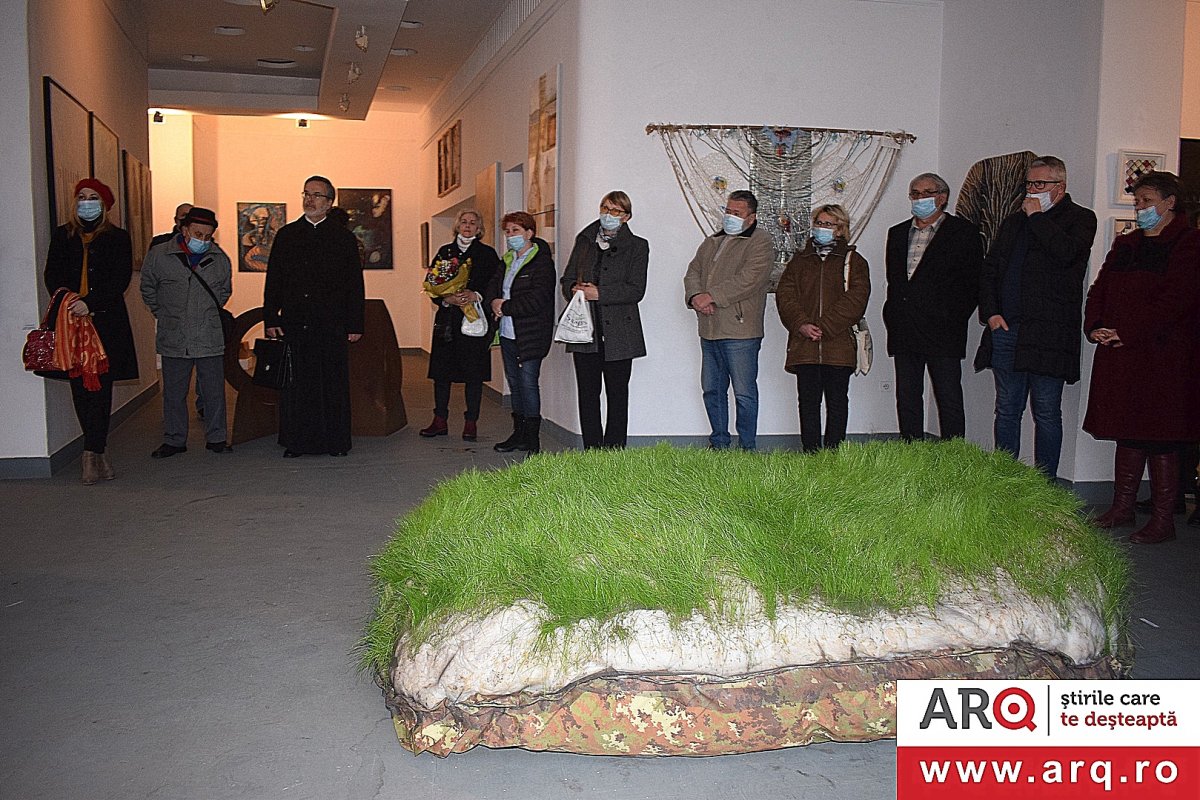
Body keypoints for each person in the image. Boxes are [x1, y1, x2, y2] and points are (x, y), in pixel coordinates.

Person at [1082, 171, 1200, 544]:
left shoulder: (1189, 244)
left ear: (1170, 202)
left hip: (1163, 358)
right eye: (1137, 201)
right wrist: (1096, 325)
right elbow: (1100, 288)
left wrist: (1127, 331)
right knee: (1127, 432)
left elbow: (1176, 301)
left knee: (1161, 435)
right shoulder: (1127, 244)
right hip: (1121, 356)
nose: (1140, 208)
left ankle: (1163, 519)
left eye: (1147, 201)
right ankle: (1122, 507)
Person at [974, 156, 1097, 479]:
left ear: (1060, 187)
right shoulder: (1014, 222)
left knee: (1046, 411)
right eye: (1028, 183)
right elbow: (990, 269)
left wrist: (1038, 217)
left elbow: (1067, 255)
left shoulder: (1080, 218)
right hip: (1008, 329)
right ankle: (1005, 480)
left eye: (1039, 184)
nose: (1031, 190)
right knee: (1007, 410)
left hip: (1049, 334)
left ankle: (1045, 484)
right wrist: (991, 314)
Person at [42, 178, 138, 484]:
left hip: (105, 323)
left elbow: (120, 278)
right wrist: (70, 301)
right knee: (80, 389)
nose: (86, 202)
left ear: (104, 204)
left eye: (93, 197)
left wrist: (91, 303)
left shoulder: (118, 238)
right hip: (70, 322)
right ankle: (95, 453)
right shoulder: (63, 235)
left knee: (100, 388)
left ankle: (93, 451)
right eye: (82, 196)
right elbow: (52, 274)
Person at [263, 176, 365, 457]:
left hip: (332, 323)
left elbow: (354, 284)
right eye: (306, 193)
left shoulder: (343, 238)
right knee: (298, 385)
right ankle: (297, 442)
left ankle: (336, 442)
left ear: (329, 202)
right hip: (296, 322)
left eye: (317, 195)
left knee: (332, 383)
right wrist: (271, 317)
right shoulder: (287, 235)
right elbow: (274, 280)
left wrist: (355, 323)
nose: (309, 199)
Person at [883, 173, 984, 441]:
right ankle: (911, 452)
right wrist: (893, 315)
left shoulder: (963, 233)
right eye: (915, 193)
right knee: (907, 396)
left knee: (948, 397)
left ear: (942, 197)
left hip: (943, 331)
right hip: (905, 328)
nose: (919, 199)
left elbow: (971, 285)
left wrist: (951, 317)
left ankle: (952, 455)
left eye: (926, 193)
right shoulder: (897, 233)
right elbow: (895, 282)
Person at [683, 190, 774, 450]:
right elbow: (693, 272)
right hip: (710, 329)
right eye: (728, 211)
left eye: (737, 213)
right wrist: (696, 297)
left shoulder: (760, 242)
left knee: (744, 394)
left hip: (741, 332)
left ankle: (747, 447)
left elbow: (749, 279)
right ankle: (719, 443)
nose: (730, 216)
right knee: (712, 390)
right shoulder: (713, 241)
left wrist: (711, 296)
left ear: (751, 217)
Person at [775, 205, 871, 452]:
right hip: (804, 346)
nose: (822, 228)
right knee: (808, 404)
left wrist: (824, 326)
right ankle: (810, 454)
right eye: (819, 223)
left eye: (829, 224)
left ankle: (833, 454)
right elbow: (786, 296)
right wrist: (801, 324)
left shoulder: (854, 261)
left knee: (837, 403)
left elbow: (856, 299)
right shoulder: (799, 261)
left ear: (840, 229)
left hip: (838, 345)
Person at [140, 206, 233, 458]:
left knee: (214, 391)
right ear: (184, 230)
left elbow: (224, 292)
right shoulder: (160, 255)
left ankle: (217, 438)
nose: (202, 240)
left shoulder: (220, 259)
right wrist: (163, 312)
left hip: (208, 334)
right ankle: (174, 439)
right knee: (174, 392)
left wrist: (205, 312)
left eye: (207, 236)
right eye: (197, 234)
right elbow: (148, 287)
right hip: (174, 335)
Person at [559, 191, 649, 449]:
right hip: (585, 331)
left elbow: (636, 290)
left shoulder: (638, 246)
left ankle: (614, 451)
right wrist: (575, 290)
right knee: (588, 395)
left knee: (617, 395)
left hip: (620, 333)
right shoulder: (584, 240)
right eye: (605, 208)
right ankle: (592, 450)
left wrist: (600, 293)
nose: (608, 214)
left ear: (626, 217)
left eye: (615, 211)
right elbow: (567, 279)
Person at [419, 209, 501, 441]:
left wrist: (477, 295)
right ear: (457, 226)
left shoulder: (487, 254)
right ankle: (439, 420)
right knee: (441, 374)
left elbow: (496, 284)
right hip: (447, 322)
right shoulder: (445, 252)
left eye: (472, 223)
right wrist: (446, 298)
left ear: (479, 228)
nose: (467, 226)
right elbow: (431, 283)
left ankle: (471, 422)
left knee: (473, 375)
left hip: (474, 321)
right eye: (464, 222)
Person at [487, 211, 556, 454]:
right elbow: (493, 287)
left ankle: (533, 441)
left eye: (515, 230)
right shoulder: (506, 261)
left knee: (528, 383)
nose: (510, 235)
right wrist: (493, 302)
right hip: (508, 332)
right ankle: (519, 434)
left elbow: (537, 299)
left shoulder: (542, 263)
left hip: (531, 334)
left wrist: (504, 306)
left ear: (529, 232)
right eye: (507, 231)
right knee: (514, 384)